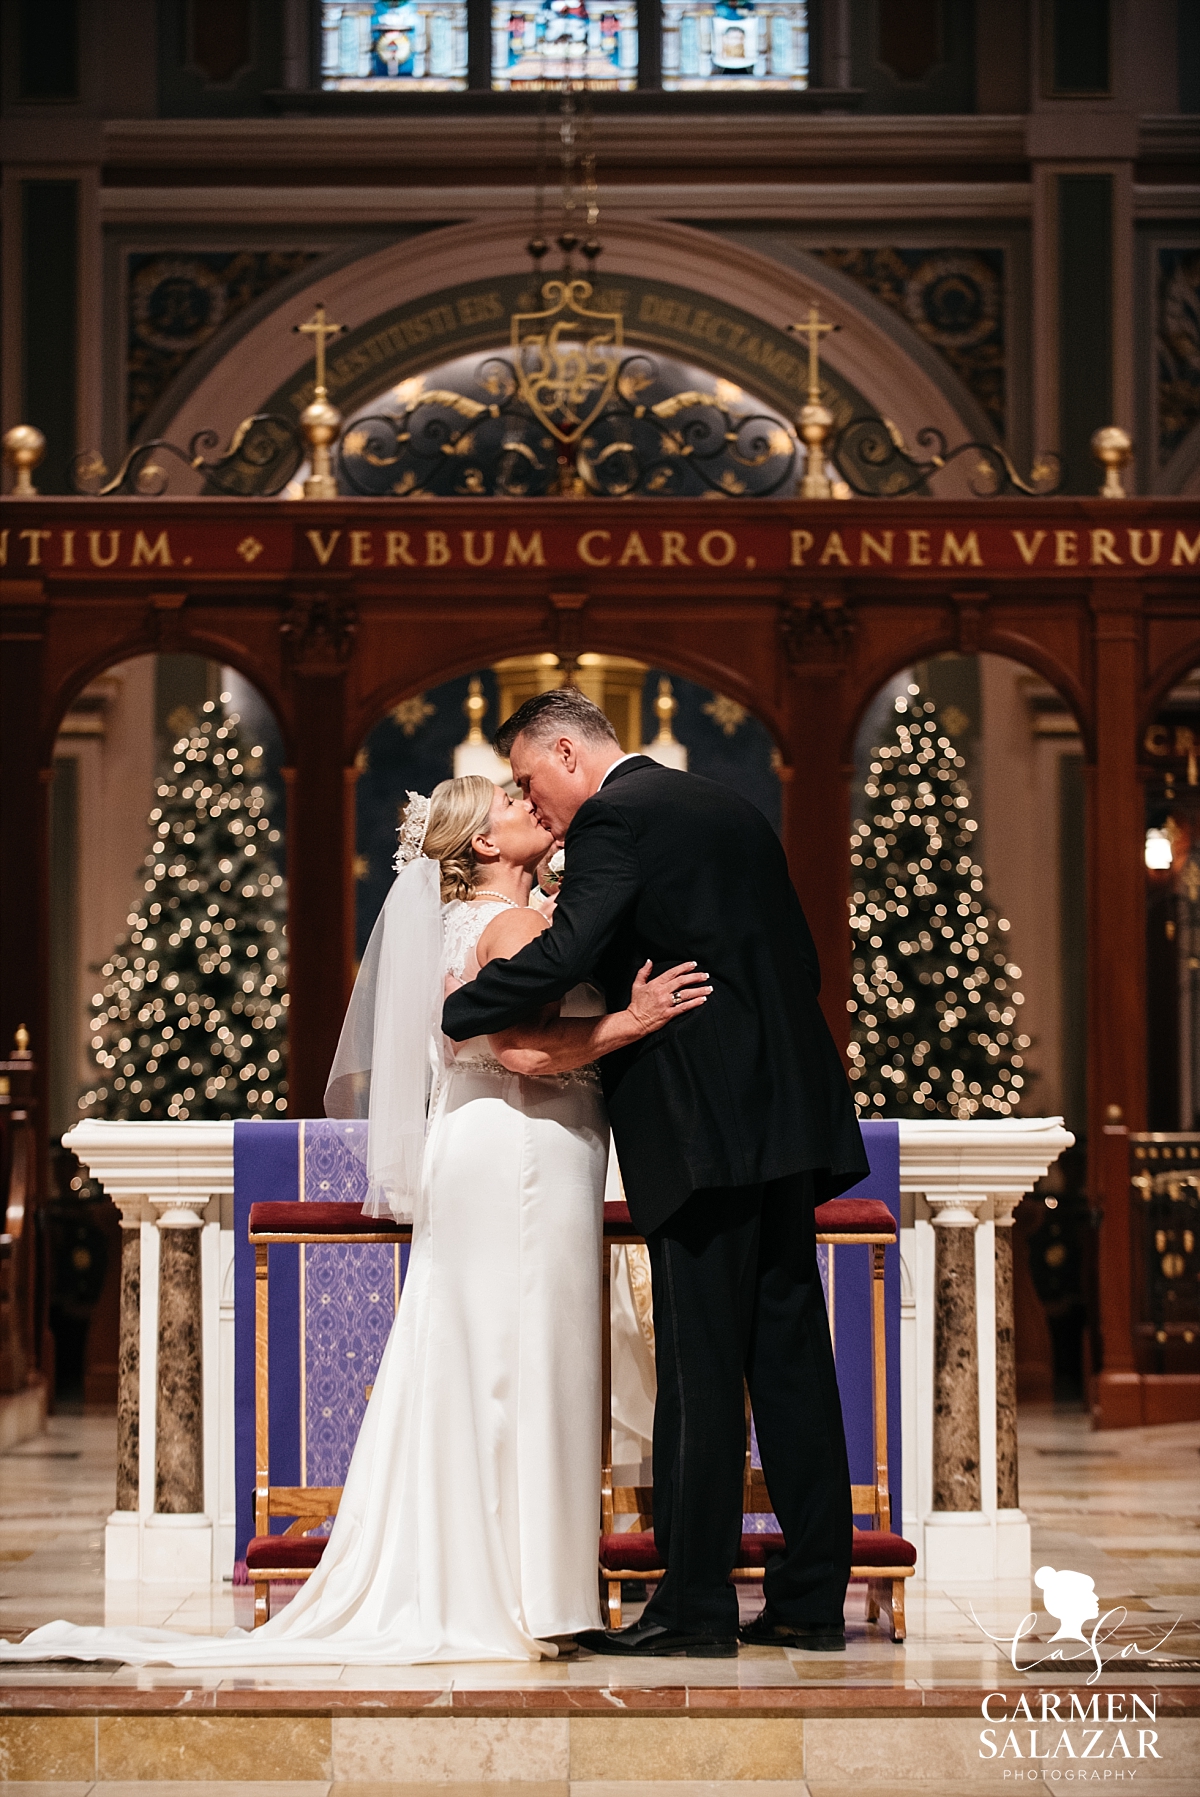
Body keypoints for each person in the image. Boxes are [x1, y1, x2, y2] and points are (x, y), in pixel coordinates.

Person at [0, 774, 707, 1668]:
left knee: (485, 1364)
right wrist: (631, 1021)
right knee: (530, 1365)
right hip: (524, 1154)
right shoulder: (515, 926)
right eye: (510, 800)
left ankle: (492, 1580)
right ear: (483, 846)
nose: (530, 804)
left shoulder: (477, 925)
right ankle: (532, 1594)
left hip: (480, 1150)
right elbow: (523, 1050)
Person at [443, 689, 868, 1659]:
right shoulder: (725, 805)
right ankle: (809, 1598)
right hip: (785, 1115)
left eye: (527, 780)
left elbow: (569, 950)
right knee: (793, 1357)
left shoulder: (615, 818)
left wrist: (466, 1006)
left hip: (700, 1124)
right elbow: (795, 956)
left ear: (566, 752)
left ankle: (693, 1605)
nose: (530, 800)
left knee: (701, 1364)